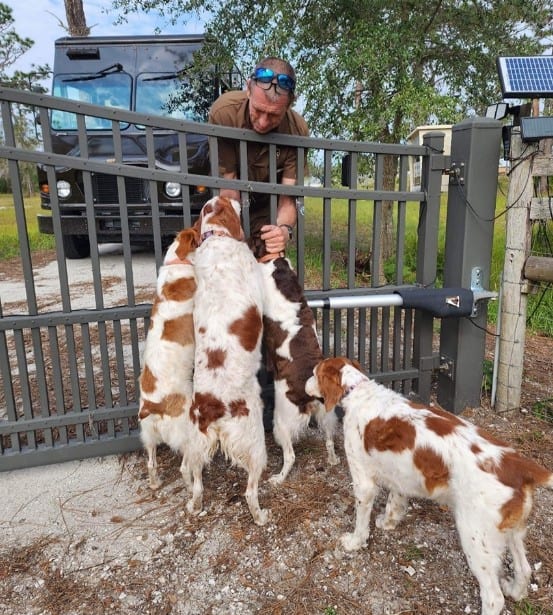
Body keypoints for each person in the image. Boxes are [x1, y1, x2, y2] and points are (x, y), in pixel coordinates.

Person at [208, 56, 309, 258]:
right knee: (231, 263)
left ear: (290, 104)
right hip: (230, 200)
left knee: (273, 266)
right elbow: (229, 185)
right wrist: (235, 230)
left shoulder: (297, 131)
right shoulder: (224, 114)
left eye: (273, 115)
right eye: (258, 110)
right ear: (248, 88)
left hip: (267, 207)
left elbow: (288, 197)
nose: (263, 122)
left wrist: (283, 230)